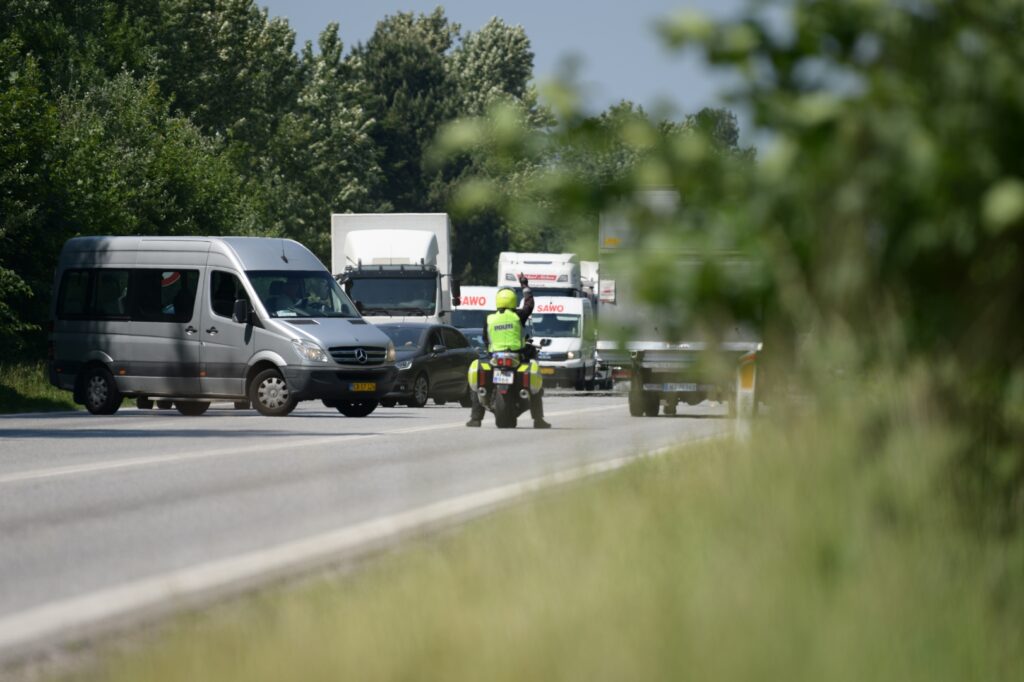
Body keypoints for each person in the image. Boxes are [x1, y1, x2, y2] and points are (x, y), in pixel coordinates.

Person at [466, 273, 551, 429]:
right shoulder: (517, 316)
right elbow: (530, 304)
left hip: (495, 358)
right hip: (516, 357)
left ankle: (475, 419)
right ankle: (538, 420)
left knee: (481, 385)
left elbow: (485, 338)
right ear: (513, 300)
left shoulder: (490, 318)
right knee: (535, 387)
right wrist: (525, 285)